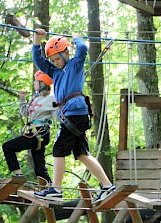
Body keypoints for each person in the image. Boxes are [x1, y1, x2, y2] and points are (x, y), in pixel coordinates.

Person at [31, 28, 115, 202]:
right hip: (73, 114)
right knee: (82, 153)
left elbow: (83, 49)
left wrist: (77, 38)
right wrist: (37, 41)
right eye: (52, 60)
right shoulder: (54, 72)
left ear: (66, 53)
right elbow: (39, 61)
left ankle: (56, 189)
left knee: (58, 148)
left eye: (57, 58)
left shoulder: (74, 66)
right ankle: (107, 186)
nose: (55, 62)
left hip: (75, 112)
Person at [2, 71, 56, 184]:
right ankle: (49, 187)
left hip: (40, 133)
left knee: (8, 147)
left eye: (36, 81)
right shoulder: (35, 98)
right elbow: (25, 113)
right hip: (34, 132)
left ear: (42, 83)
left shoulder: (52, 98)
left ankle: (19, 175)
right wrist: (22, 98)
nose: (33, 83)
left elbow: (58, 114)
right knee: (39, 168)